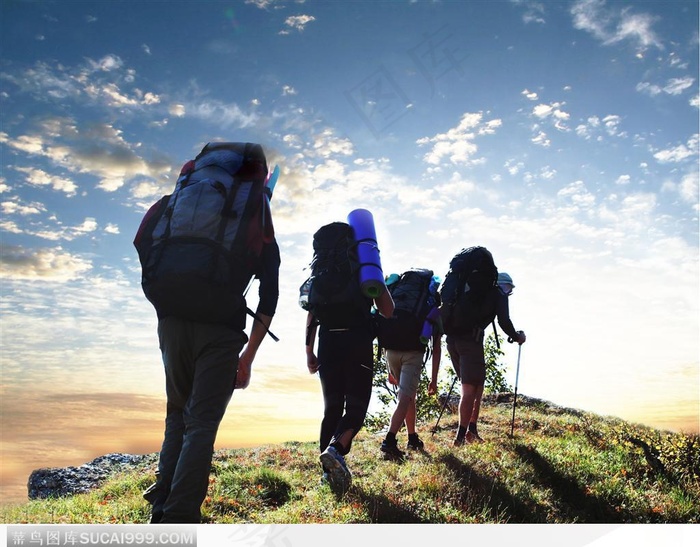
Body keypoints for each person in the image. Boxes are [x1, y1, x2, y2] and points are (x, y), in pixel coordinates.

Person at [141, 145, 281, 524]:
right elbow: (270, 295)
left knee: (176, 417)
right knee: (201, 424)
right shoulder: (257, 217)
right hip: (219, 329)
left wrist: (169, 302)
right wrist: (247, 357)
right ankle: (180, 518)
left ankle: (161, 511)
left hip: (171, 322)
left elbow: (144, 239)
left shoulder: (180, 200)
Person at [304, 225, 394, 495]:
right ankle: (336, 449)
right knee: (355, 408)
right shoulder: (364, 269)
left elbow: (312, 315)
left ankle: (326, 475)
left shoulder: (320, 271)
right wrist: (376, 282)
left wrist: (309, 351)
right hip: (357, 342)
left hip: (328, 342)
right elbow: (388, 311)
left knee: (331, 409)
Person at [447, 271, 525, 445]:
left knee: (477, 385)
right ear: (502, 285)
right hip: (470, 342)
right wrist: (517, 336)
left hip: (452, 340)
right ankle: (461, 437)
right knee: (469, 390)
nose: (508, 292)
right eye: (508, 289)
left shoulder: (471, 291)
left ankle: (471, 430)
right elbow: (504, 321)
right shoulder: (497, 293)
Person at [378, 271, 443, 460]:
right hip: (412, 354)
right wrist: (434, 380)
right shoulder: (430, 304)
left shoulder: (399, 296)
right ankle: (389, 441)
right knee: (405, 399)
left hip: (390, 351)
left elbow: (385, 325)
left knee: (409, 397)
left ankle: (412, 437)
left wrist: (389, 368)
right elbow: (436, 348)